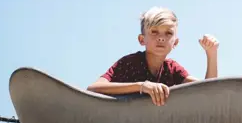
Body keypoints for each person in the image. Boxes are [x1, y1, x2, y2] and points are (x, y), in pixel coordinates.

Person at [87, 6, 219, 106]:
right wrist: (141, 86)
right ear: (141, 39)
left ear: (176, 42)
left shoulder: (172, 69)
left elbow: (209, 92)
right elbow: (93, 88)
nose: (161, 38)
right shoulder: (130, 63)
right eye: (154, 32)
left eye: (168, 33)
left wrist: (211, 53)